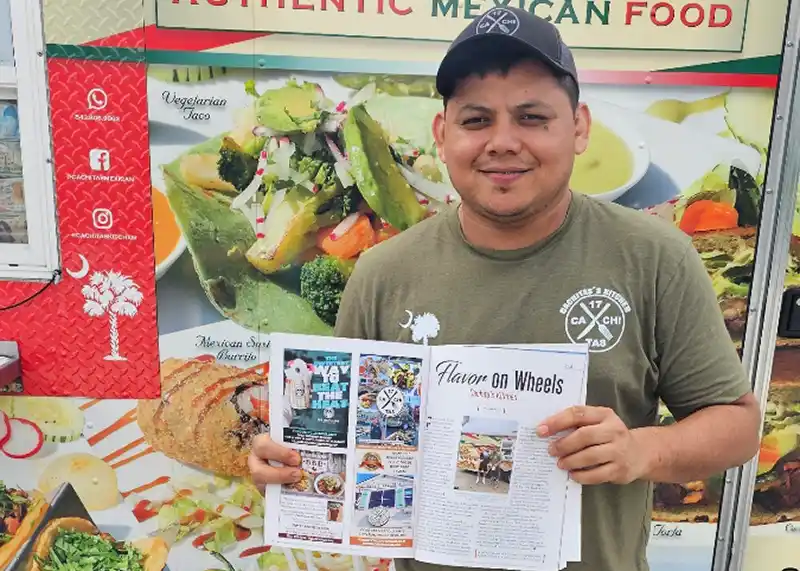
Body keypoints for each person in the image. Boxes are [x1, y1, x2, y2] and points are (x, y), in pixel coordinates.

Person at [248, 6, 761, 571]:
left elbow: (736, 427)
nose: (503, 142)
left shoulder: (654, 256)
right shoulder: (382, 274)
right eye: (475, 120)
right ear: (442, 136)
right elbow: (336, 457)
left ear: (579, 127)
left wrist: (641, 450)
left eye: (532, 117)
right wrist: (287, 465)